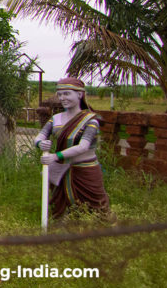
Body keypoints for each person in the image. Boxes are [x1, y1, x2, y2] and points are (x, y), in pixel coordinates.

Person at [35, 77, 114, 222]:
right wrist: (40, 143)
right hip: (62, 170)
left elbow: (83, 147)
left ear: (80, 94)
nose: (62, 98)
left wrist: (55, 156)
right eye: (60, 94)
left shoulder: (90, 121)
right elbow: (40, 136)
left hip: (85, 170)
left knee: (98, 208)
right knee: (61, 210)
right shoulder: (55, 119)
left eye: (67, 94)